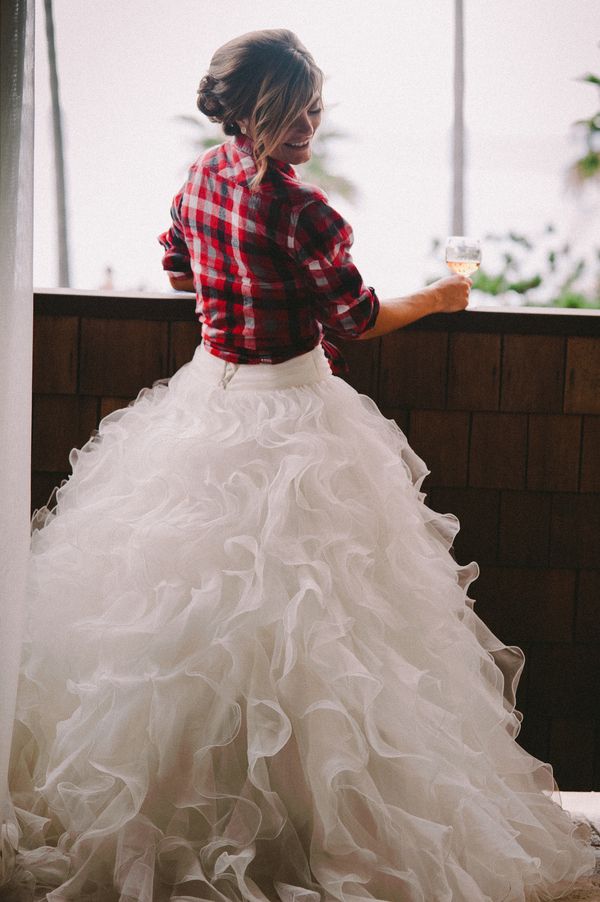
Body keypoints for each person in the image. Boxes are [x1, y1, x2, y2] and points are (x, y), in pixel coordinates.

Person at [5, 28, 595, 902]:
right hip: (292, 412)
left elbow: (176, 268)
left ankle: (191, 818)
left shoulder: (200, 178)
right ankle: (304, 833)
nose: (309, 125)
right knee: (319, 630)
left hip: (209, 400)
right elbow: (353, 316)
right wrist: (439, 296)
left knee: (193, 625)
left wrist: (232, 286)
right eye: (293, 110)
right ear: (250, 111)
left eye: (316, 107)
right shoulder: (302, 208)